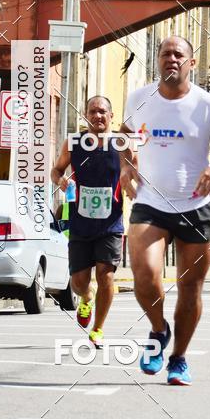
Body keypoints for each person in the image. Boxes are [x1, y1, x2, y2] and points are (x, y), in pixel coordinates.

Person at [119, 36, 210, 386]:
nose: (171, 59)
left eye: (179, 54)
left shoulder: (207, 104)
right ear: (157, 61)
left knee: (190, 288)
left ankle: (178, 358)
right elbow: (124, 136)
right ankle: (159, 330)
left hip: (196, 204)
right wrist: (126, 166)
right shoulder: (139, 98)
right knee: (145, 275)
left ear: (191, 63)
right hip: (150, 202)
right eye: (165, 54)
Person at [51, 96, 123, 348]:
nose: (98, 116)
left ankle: (98, 329)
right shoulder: (74, 143)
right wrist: (60, 180)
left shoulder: (121, 144)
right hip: (81, 223)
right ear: (86, 116)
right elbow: (56, 170)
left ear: (111, 115)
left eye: (102, 111)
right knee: (79, 282)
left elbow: (136, 170)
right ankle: (86, 297)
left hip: (110, 224)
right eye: (92, 111)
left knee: (106, 276)